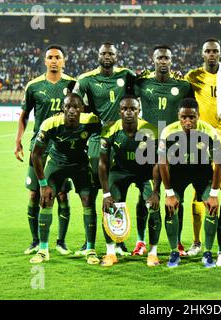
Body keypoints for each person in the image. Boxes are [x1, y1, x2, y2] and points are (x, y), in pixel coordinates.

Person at [73, 42, 135, 256]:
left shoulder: (126, 75)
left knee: (117, 192)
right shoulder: (86, 80)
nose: (107, 56)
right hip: (96, 140)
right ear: (97, 56)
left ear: (117, 56)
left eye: (111, 53)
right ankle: (89, 244)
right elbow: (74, 105)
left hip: (119, 141)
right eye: (103, 53)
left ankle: (118, 239)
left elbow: (144, 88)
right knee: (90, 194)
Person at [14, 45, 76, 256]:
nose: (53, 61)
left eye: (57, 57)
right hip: (39, 148)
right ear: (45, 60)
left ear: (64, 61)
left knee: (62, 195)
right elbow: (23, 115)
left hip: (63, 149)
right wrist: (18, 141)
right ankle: (35, 241)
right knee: (34, 195)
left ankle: (61, 241)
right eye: (50, 57)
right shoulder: (34, 86)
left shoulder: (72, 85)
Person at [133, 45, 193, 256]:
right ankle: (141, 241)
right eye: (160, 58)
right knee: (145, 195)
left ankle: (176, 242)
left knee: (178, 196)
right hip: (147, 145)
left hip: (174, 148)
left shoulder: (183, 86)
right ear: (153, 59)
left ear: (171, 60)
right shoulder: (141, 83)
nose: (163, 61)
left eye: (167, 58)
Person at [29, 93, 101, 265]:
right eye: (68, 106)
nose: (72, 110)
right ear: (63, 108)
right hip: (57, 163)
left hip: (80, 164)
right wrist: (43, 184)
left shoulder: (91, 121)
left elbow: (103, 137)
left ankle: (90, 249)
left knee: (88, 200)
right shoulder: (50, 124)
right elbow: (36, 155)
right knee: (46, 200)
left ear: (82, 109)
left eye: (76, 107)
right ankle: (43, 250)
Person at [184, 38, 221, 256]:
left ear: (220, 53)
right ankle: (197, 242)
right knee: (199, 190)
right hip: (200, 140)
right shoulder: (193, 76)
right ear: (202, 54)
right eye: (207, 51)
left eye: (215, 51)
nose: (211, 54)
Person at [158, 98, 221, 268]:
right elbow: (162, 163)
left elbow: (219, 164)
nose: (188, 122)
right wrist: (169, 193)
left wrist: (214, 194)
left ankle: (208, 253)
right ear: (178, 117)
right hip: (178, 172)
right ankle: (174, 252)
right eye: (183, 117)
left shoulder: (209, 131)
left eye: (192, 118)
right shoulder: (167, 132)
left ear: (198, 116)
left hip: (202, 172)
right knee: (170, 207)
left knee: (211, 207)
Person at [98, 96, 161, 267]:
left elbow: (158, 163)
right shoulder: (110, 129)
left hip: (144, 172)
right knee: (109, 207)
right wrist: (106, 193)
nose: (129, 112)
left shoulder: (150, 130)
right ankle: (110, 252)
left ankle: (153, 253)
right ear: (120, 111)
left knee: (154, 208)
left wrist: (155, 192)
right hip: (119, 172)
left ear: (139, 111)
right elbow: (102, 162)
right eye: (125, 108)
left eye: (133, 109)